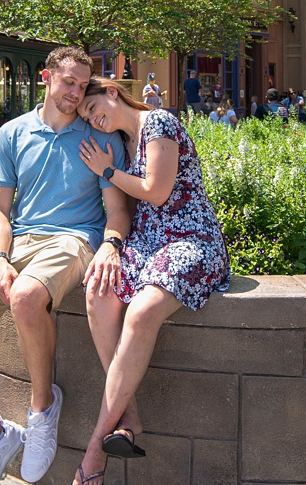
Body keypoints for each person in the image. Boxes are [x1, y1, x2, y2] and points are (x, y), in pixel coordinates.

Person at [0, 47, 130, 485]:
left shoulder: (100, 136)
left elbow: (117, 210)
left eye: (82, 84)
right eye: (68, 82)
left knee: (25, 297)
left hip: (74, 239)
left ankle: (42, 409)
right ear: (46, 77)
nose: (76, 92)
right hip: (18, 241)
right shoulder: (13, 133)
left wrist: (111, 245)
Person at [74, 79, 230, 484]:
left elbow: (157, 192)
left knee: (141, 312)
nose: (94, 117)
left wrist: (106, 171)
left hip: (189, 239)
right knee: (98, 290)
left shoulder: (158, 122)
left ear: (111, 92)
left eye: (93, 107)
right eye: (88, 116)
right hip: (147, 243)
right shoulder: (124, 141)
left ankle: (94, 452)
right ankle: (128, 416)